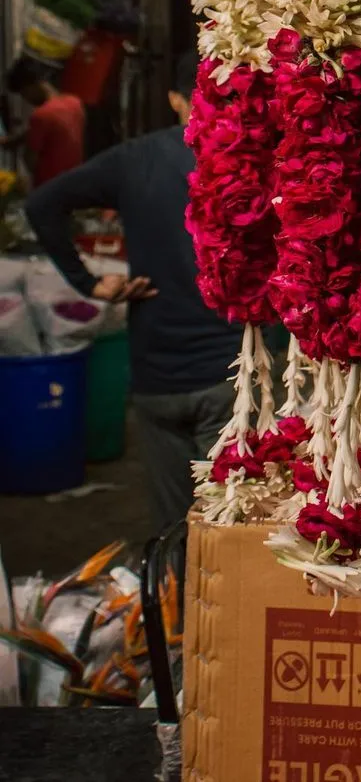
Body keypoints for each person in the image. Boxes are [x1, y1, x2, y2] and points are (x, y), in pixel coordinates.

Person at [24, 52, 242, 534]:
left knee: (173, 527)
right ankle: (212, 606)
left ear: (174, 99)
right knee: (227, 522)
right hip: (228, 375)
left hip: (156, 377)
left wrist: (91, 283)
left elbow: (42, 204)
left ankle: (174, 604)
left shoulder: (134, 159)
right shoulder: (245, 159)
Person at [3, 56, 85, 187]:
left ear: (31, 85)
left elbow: (30, 160)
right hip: (74, 184)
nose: (26, 99)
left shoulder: (41, 115)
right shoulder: (75, 104)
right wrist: (16, 140)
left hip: (49, 189)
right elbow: (56, 129)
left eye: (24, 94)